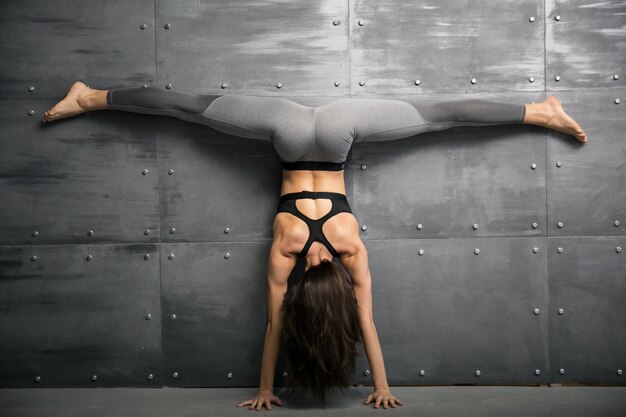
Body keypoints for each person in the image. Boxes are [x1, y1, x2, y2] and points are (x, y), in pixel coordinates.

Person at [42, 81, 587, 410]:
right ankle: (89, 97)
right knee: (191, 108)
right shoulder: (286, 251)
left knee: (437, 117)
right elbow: (276, 326)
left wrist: (382, 385)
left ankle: (538, 110)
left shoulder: (351, 252)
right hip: (288, 136)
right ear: (308, 283)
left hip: (337, 133)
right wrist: (265, 389)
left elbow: (366, 326)